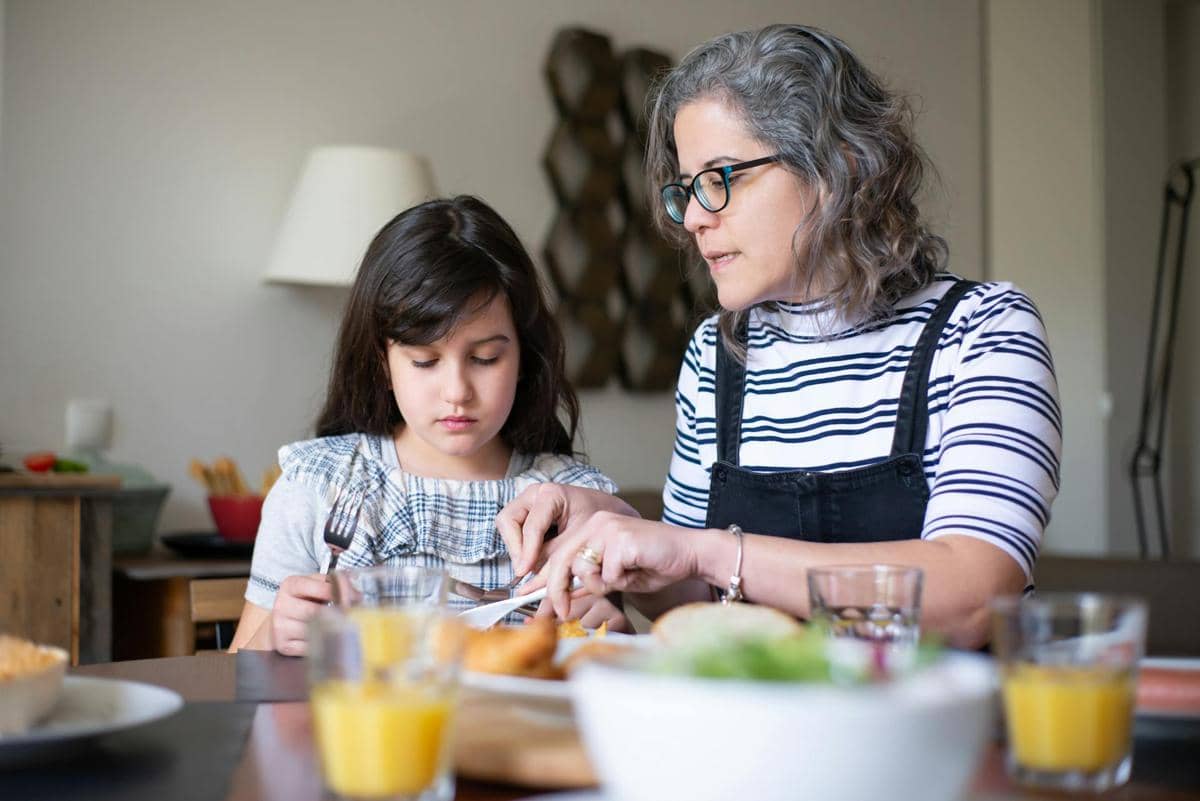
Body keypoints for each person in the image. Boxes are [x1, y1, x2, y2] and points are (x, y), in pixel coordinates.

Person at [498, 24, 1061, 649]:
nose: (693, 218)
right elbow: (698, 597)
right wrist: (613, 527)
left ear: (839, 167)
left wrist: (710, 551)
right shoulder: (715, 354)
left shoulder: (983, 331)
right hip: (763, 713)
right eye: (687, 189)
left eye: (721, 177)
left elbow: (973, 599)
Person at [230, 196, 621, 655]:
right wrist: (274, 635)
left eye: (485, 358)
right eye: (424, 360)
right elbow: (237, 673)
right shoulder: (317, 487)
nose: (456, 391)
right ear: (383, 361)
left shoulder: (577, 505)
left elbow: (610, 663)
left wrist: (610, 639)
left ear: (523, 358)